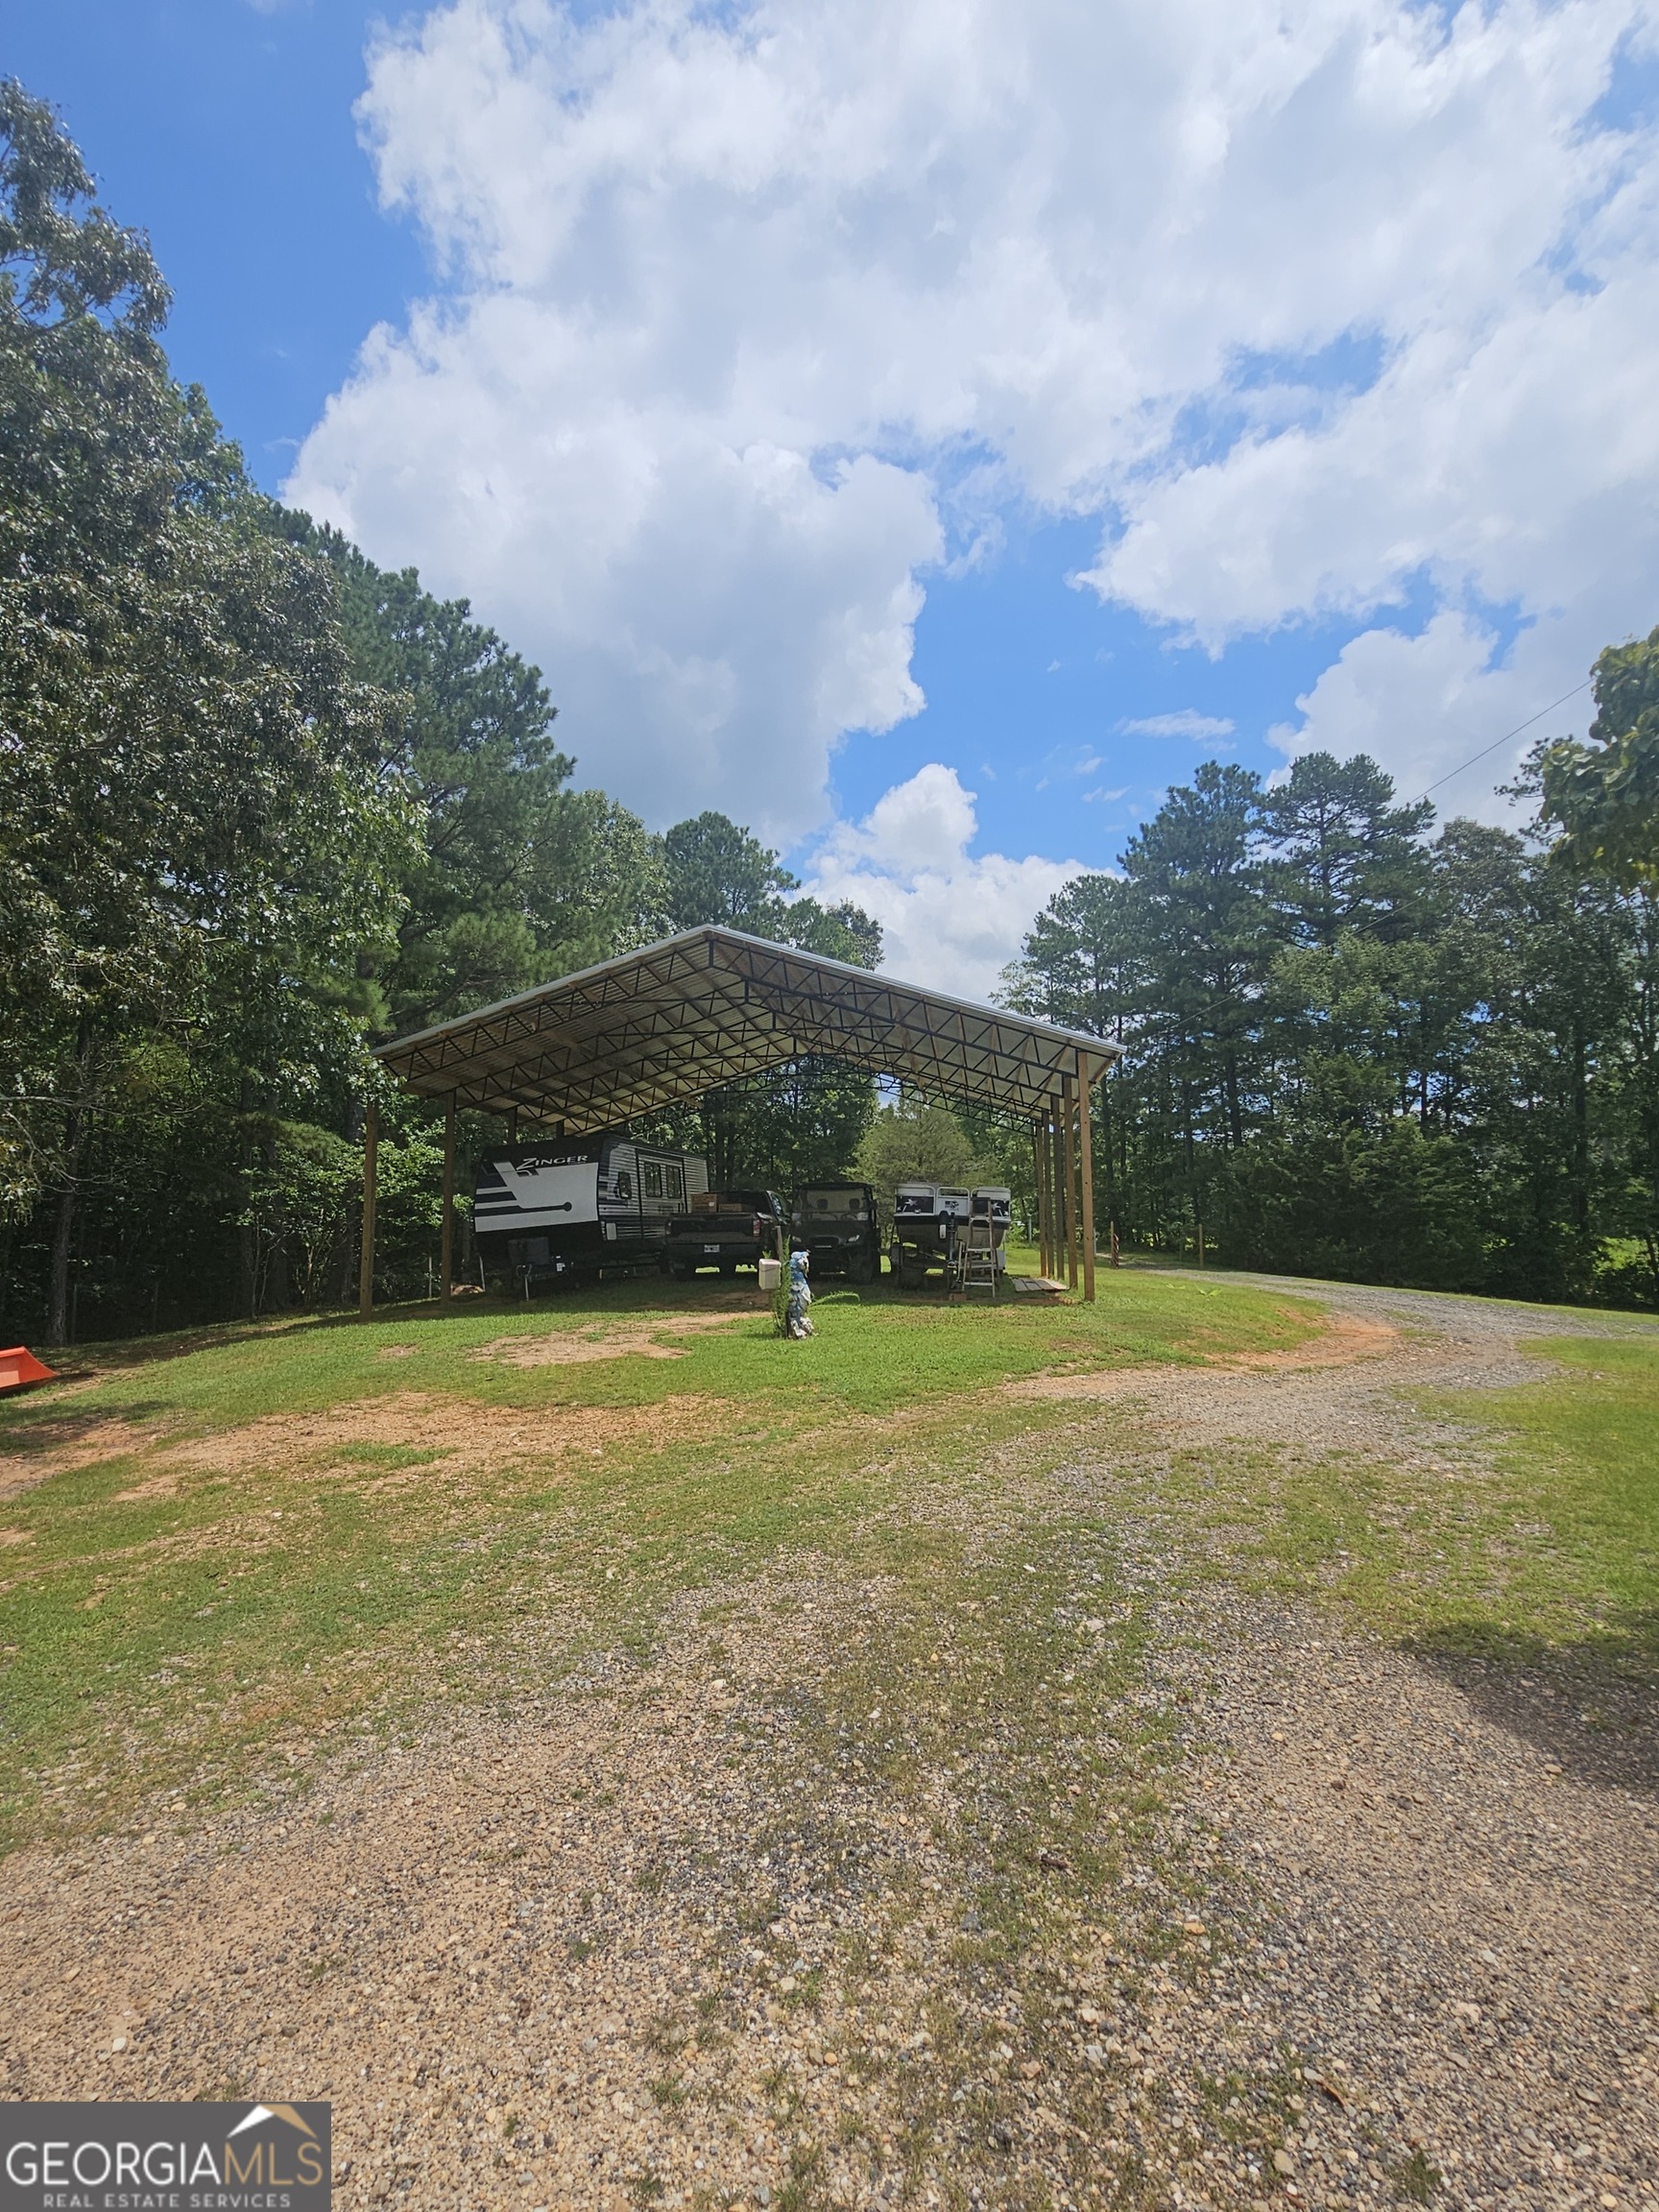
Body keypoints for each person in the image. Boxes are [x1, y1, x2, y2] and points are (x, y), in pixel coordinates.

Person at [785, 1244, 814, 1338]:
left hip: (800, 1286)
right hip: (796, 1290)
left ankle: (801, 1325)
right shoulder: (793, 1282)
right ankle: (796, 1329)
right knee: (795, 1308)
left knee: (800, 1307)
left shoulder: (800, 1277)